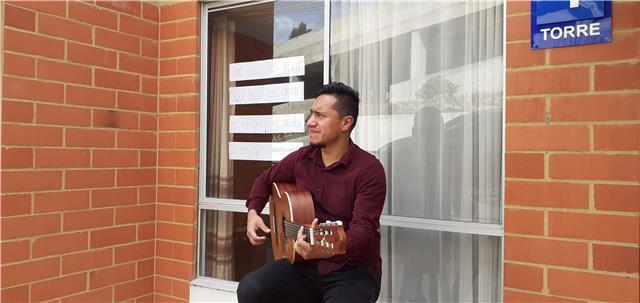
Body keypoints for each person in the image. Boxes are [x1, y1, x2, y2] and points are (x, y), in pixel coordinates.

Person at [236, 82, 386, 303]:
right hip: (303, 263)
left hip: (352, 270)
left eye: (320, 115)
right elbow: (265, 179)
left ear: (346, 123)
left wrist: (327, 250)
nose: (310, 122)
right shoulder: (301, 158)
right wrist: (252, 212)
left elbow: (362, 232)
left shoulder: (369, 170)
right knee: (250, 289)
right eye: (311, 114)